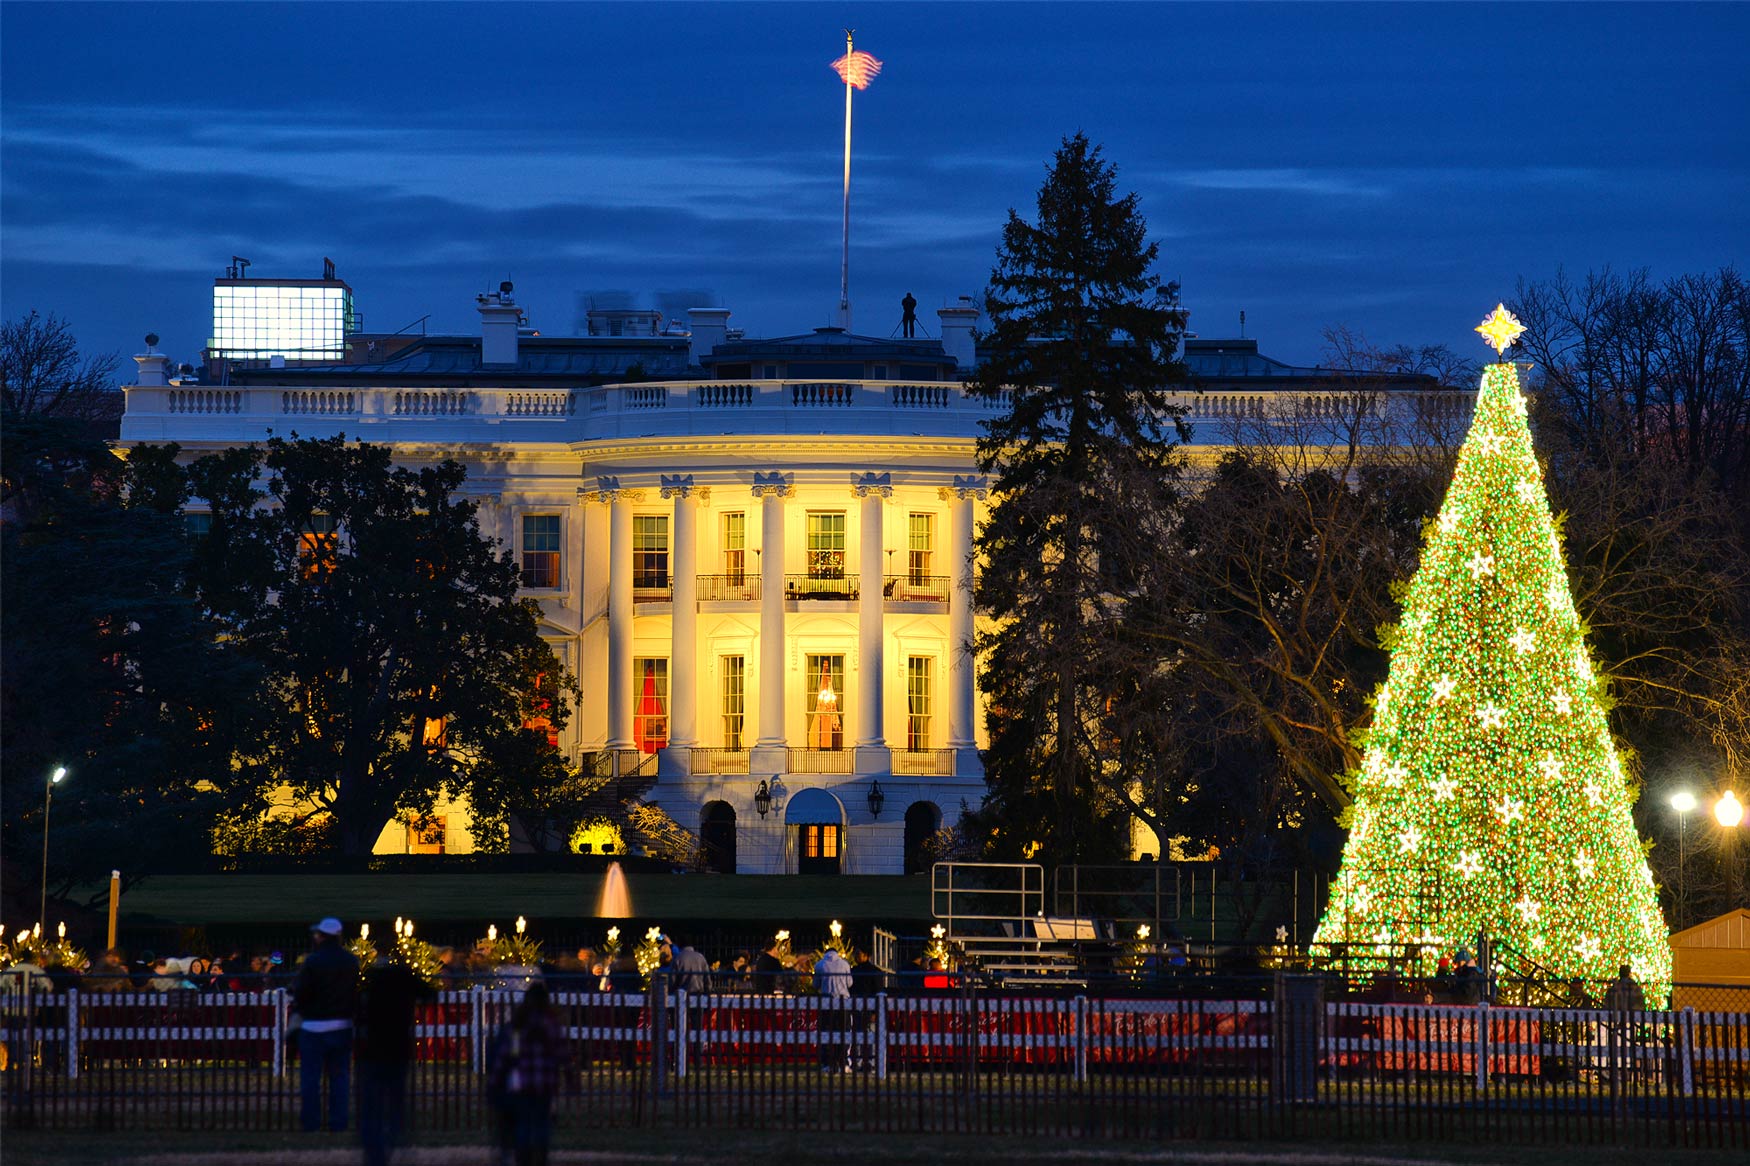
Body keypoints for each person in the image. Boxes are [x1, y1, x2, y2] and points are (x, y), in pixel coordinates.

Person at [356, 945, 435, 1166]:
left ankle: (374, 1153)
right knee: (395, 1101)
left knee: (372, 1104)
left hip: (372, 1050)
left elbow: (357, 1009)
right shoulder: (403, 978)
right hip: (398, 1049)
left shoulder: (371, 980)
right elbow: (429, 994)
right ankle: (395, 1143)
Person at [486, 980, 573, 1166]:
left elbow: (509, 1055)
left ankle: (523, 1157)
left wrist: (495, 1081)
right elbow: (563, 1053)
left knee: (524, 1124)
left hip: (523, 1083)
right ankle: (541, 1157)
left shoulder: (518, 1025)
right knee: (542, 1123)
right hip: (546, 1083)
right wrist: (569, 1077)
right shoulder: (552, 1025)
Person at [292, 916, 360, 1133]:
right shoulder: (350, 961)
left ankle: (310, 1123)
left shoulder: (312, 962)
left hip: (313, 1027)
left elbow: (301, 993)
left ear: (322, 936)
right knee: (339, 1079)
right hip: (341, 1025)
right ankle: (338, 1122)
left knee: (310, 1079)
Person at [813, 946, 852, 1073]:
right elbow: (850, 983)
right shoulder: (845, 964)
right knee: (844, 1032)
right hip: (843, 1001)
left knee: (826, 1032)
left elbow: (815, 984)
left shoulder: (819, 965)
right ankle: (843, 1063)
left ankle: (827, 1063)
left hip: (827, 1002)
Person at [849, 948, 884, 1072]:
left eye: (858, 954)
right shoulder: (876, 971)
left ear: (866, 955)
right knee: (871, 1035)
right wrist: (876, 1011)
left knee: (858, 1034)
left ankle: (857, 1062)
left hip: (857, 1006)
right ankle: (871, 1062)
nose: (856, 957)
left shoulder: (853, 971)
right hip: (871, 1006)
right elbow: (879, 991)